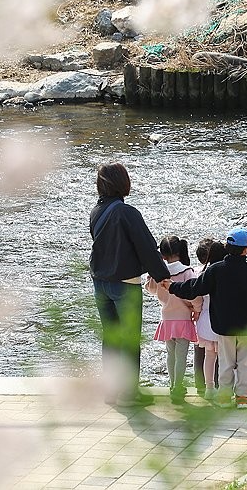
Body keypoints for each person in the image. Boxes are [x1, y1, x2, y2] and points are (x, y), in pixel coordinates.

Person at [89, 163, 171, 408]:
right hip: (125, 284)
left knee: (110, 337)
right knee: (130, 339)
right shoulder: (127, 213)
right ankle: (128, 394)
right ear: (123, 183)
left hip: (100, 283)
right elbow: (145, 246)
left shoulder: (96, 211)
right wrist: (162, 275)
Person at [169, 228, 247, 410]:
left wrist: (173, 287)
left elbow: (194, 288)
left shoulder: (216, 270)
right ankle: (242, 397)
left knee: (225, 362)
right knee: (246, 363)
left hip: (224, 326)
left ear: (227, 247)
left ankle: (225, 397)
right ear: (246, 249)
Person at [144, 236, 199, 404]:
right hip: (183, 317)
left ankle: (172, 384)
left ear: (162, 255)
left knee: (170, 354)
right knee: (181, 355)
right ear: (179, 251)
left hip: (166, 318)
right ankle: (177, 386)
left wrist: (150, 276)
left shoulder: (160, 272)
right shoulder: (187, 271)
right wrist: (196, 310)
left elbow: (150, 289)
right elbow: (194, 294)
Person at [192, 239, 222, 398]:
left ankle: (209, 388)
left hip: (204, 320)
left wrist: (196, 310)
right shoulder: (223, 273)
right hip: (222, 321)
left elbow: (195, 297)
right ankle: (224, 387)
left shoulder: (198, 273)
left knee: (209, 357)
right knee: (225, 358)